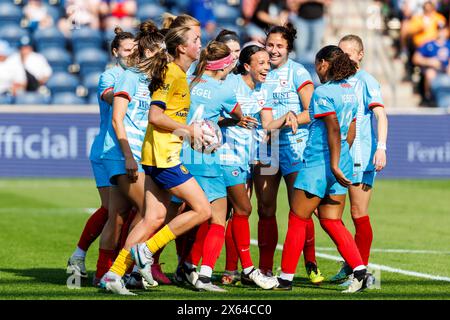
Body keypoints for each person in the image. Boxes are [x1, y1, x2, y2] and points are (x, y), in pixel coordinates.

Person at [100, 24, 206, 295]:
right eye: (195, 40)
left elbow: (165, 117)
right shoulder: (171, 74)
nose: (200, 45)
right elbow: (155, 116)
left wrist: (190, 135)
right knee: (201, 210)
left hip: (157, 152)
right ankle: (145, 251)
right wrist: (188, 131)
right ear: (181, 47)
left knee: (153, 217)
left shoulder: (175, 73)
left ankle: (114, 274)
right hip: (163, 156)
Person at [273, 45, 371, 293]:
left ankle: (285, 278)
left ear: (324, 64)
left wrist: (333, 163)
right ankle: (360, 271)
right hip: (341, 164)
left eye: (317, 64)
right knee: (331, 221)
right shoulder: (350, 91)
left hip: (319, 164)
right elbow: (351, 129)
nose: (316, 70)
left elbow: (334, 128)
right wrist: (342, 160)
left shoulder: (323, 92)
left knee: (297, 218)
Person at [217, 44, 297, 290]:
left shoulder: (265, 89)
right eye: (260, 63)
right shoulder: (231, 85)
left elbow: (266, 124)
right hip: (226, 156)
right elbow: (213, 117)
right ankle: (239, 268)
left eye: (267, 62)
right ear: (247, 66)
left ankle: (229, 269)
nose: (266, 67)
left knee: (237, 212)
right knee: (231, 211)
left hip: (250, 158)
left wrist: (287, 117)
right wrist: (236, 119)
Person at [95, 21, 166, 291]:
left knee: (120, 214)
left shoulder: (149, 80)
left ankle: (107, 274)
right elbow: (117, 120)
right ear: (149, 53)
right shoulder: (127, 77)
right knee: (154, 213)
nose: (165, 56)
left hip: (137, 155)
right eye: (161, 51)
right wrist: (128, 157)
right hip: (123, 155)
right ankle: (122, 271)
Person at [253, 23, 324, 284]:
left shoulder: (297, 72)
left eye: (279, 46)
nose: (273, 51)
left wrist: (289, 118)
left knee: (300, 210)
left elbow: (313, 111)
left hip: (296, 147)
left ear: (288, 49)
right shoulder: (257, 70)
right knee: (265, 208)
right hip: (266, 148)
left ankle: (311, 263)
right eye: (269, 45)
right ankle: (265, 268)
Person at [175, 41, 244, 292]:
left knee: (169, 216)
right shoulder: (223, 90)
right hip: (205, 159)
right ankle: (204, 276)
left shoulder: (188, 81)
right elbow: (238, 115)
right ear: (224, 66)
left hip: (178, 156)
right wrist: (220, 124)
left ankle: (166, 267)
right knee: (217, 220)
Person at [67, 27, 135, 281]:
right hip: (109, 149)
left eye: (135, 51)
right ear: (115, 52)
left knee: (121, 211)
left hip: (128, 149)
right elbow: (110, 98)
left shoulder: (139, 76)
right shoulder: (110, 76)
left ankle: (110, 265)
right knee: (112, 210)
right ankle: (93, 262)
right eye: (127, 50)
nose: (132, 55)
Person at [330, 35, 388, 284]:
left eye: (349, 52)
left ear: (360, 54)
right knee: (332, 215)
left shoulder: (366, 81)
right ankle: (351, 264)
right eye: (340, 52)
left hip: (361, 157)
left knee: (357, 212)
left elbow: (381, 115)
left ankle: (359, 272)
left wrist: (382, 147)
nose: (344, 57)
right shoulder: (338, 81)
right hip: (340, 155)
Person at [412, 22, 450, 103]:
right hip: (433, 72)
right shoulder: (429, 44)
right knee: (430, 72)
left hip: (446, 71)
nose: (441, 32)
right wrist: (430, 62)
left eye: (443, 30)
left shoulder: (448, 44)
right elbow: (416, 58)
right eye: (439, 30)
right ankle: (429, 97)